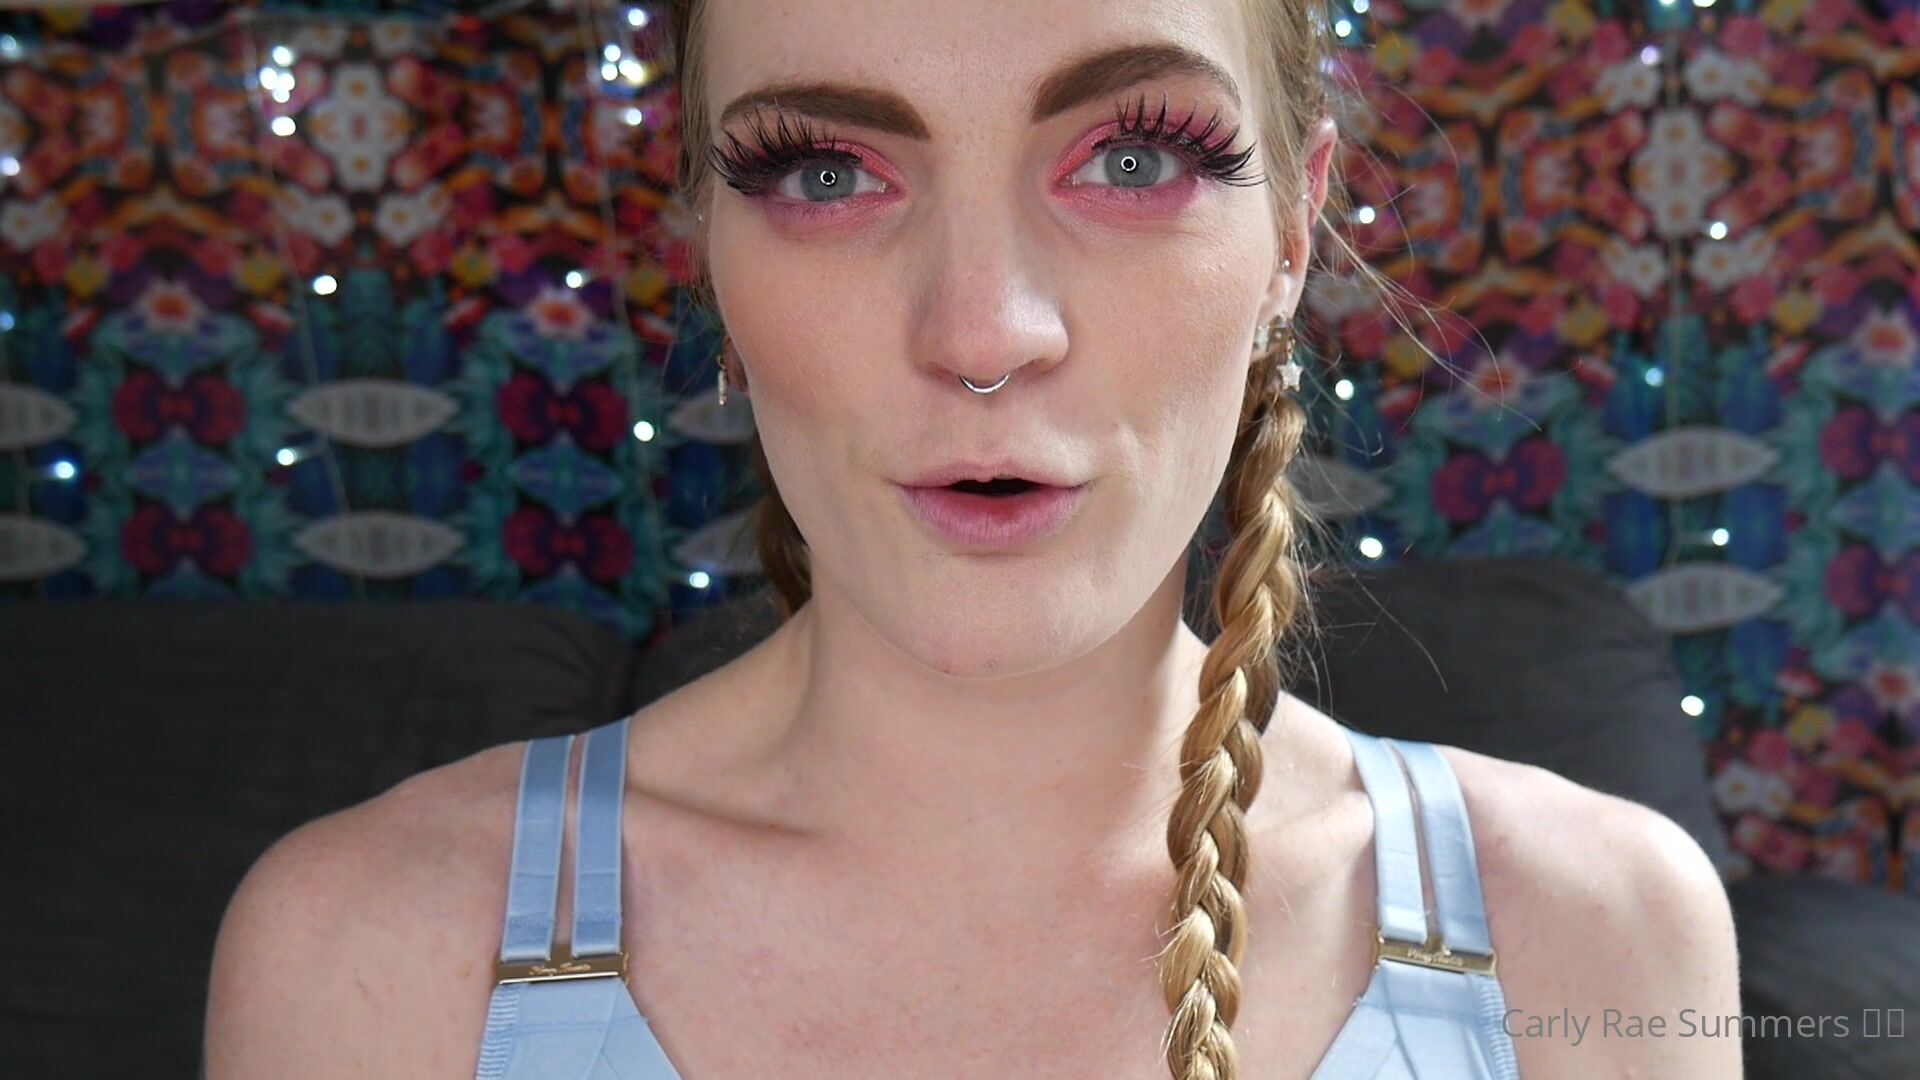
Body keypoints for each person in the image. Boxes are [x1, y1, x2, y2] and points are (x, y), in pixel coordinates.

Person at [203, 1, 1744, 1076]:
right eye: (824, 172)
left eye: (1135, 159)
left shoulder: (1594, 937)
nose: (983, 332)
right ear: (711, 257)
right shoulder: (377, 954)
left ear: (1290, 234)